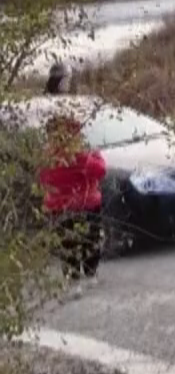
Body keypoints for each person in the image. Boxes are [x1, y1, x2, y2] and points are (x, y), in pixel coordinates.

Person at [38, 114, 106, 278]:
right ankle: (89, 275)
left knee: (68, 248)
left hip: (59, 208)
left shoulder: (47, 155)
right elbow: (100, 171)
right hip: (86, 206)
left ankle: (74, 276)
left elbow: (43, 179)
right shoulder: (83, 154)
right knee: (90, 244)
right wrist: (88, 158)